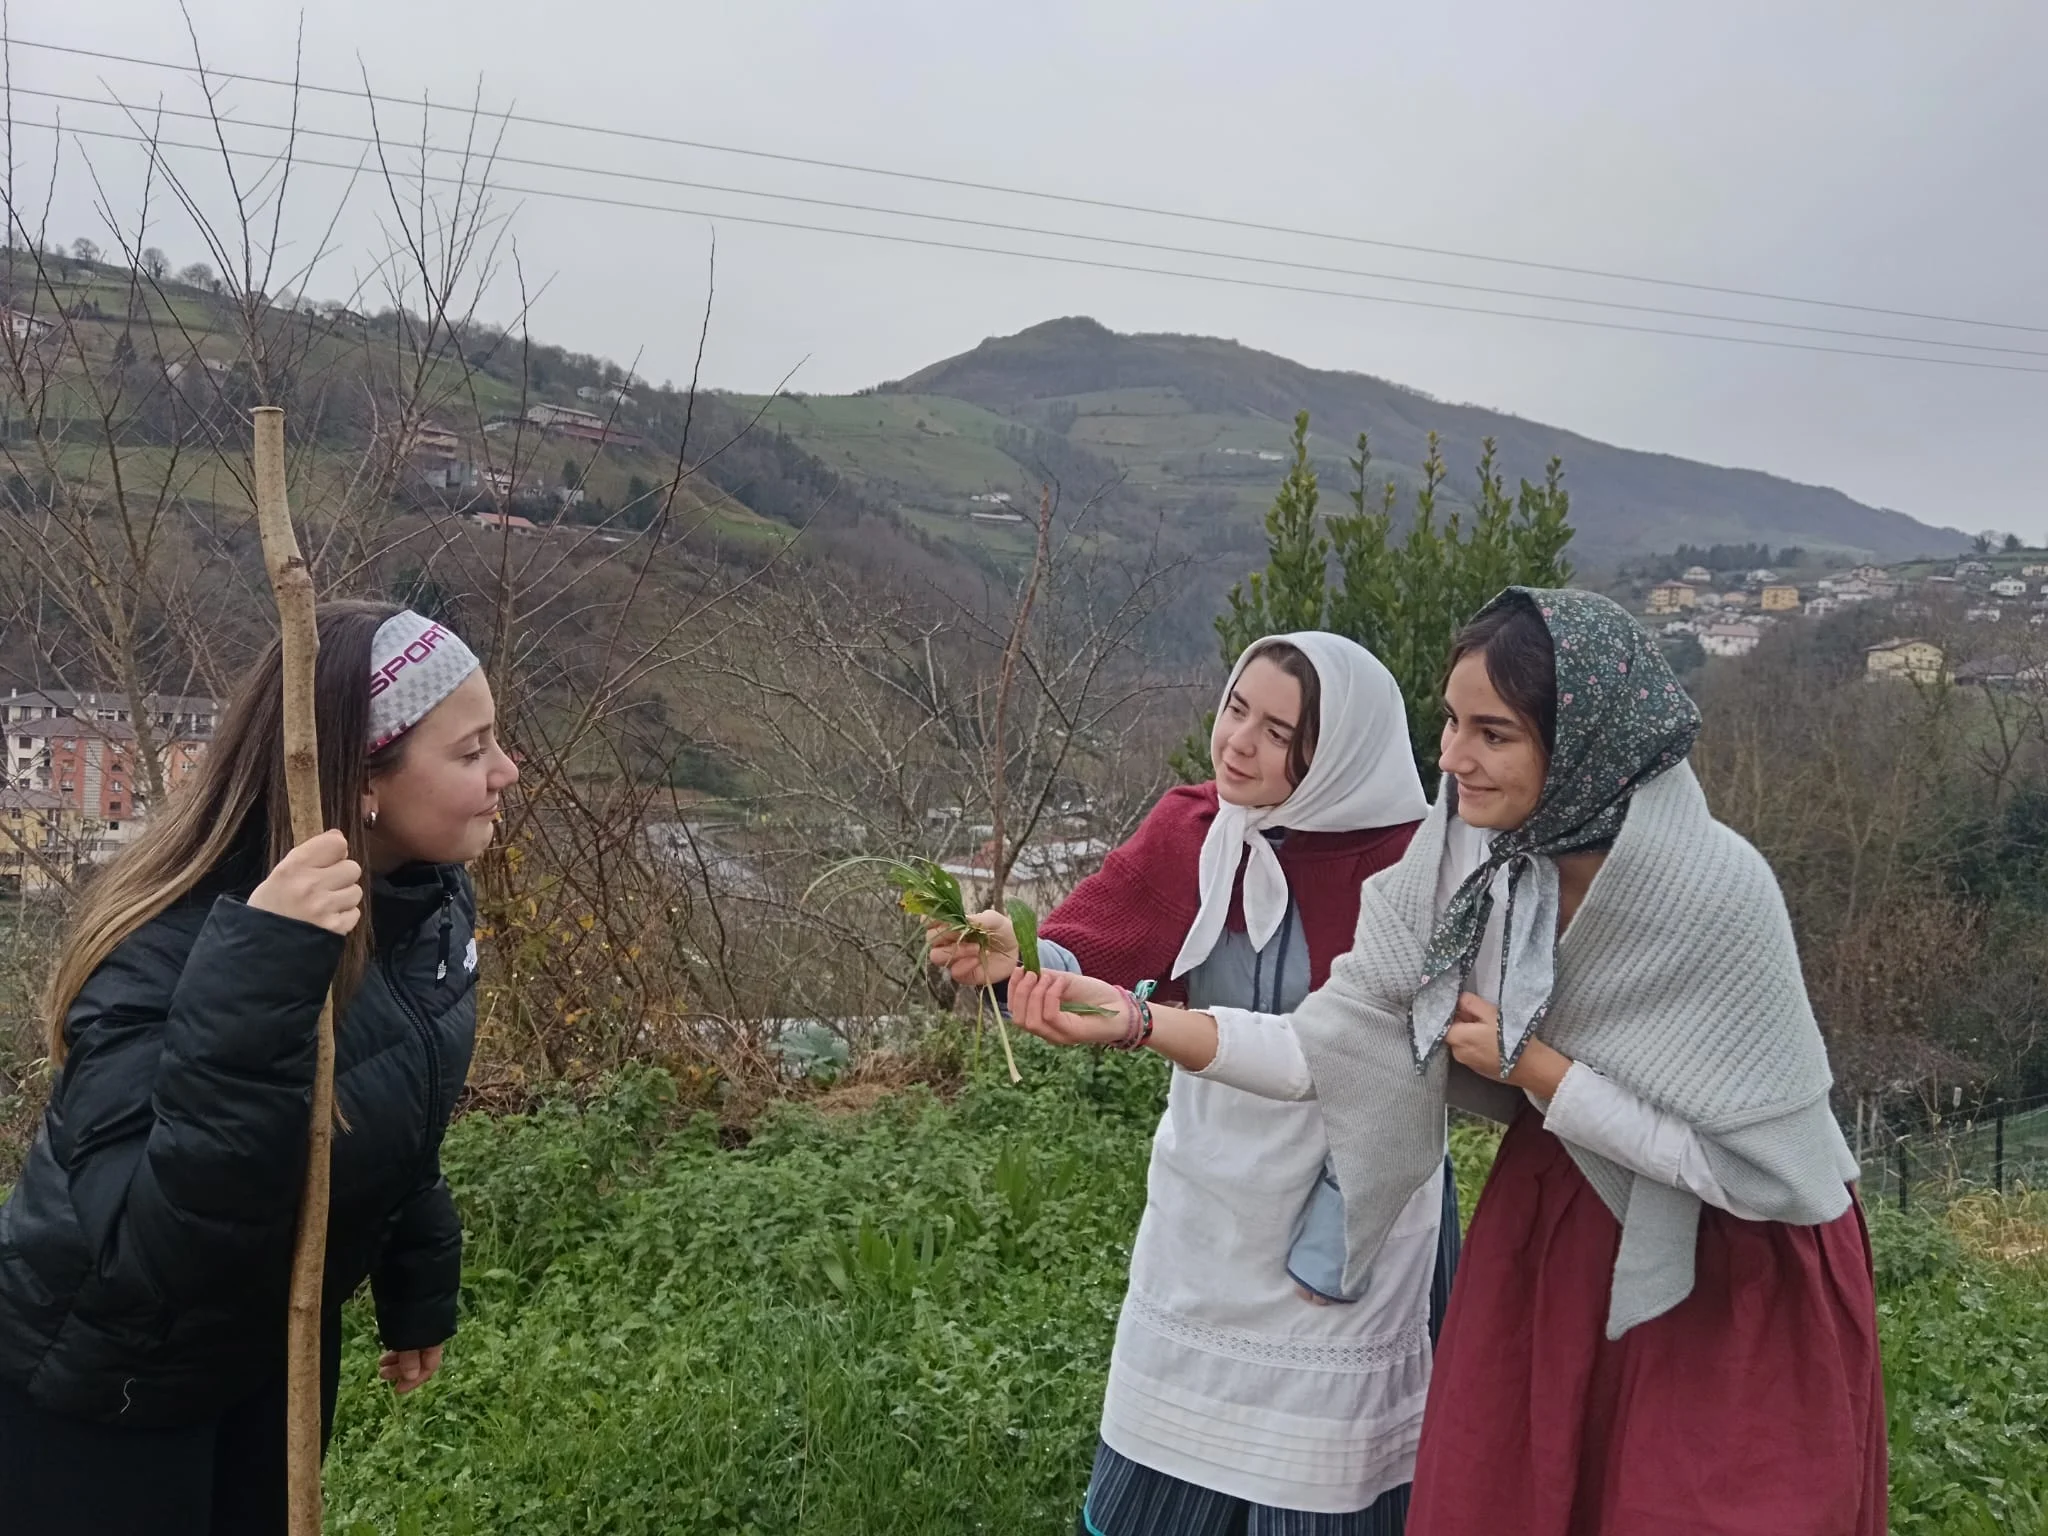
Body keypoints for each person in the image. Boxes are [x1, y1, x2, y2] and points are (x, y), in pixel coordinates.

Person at [1009, 587, 1886, 1535]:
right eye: (1451, 722)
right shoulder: (1468, 863)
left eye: (1493, 733)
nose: (1453, 757)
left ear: (1582, 744)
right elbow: (1332, 1044)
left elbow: (1763, 1176)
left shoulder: (1716, 893)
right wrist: (1137, 1022)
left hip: (1737, 1263)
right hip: (1561, 1222)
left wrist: (1542, 1074)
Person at [0, 602, 518, 1536]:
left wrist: (416, 1272)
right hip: (106, 1389)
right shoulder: (165, 952)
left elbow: (389, 1098)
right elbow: (158, 1253)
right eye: (472, 750)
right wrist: (260, 983)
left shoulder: (419, 908)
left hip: (271, 1357)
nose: (505, 771)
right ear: (364, 778)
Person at [932, 632, 1454, 1535]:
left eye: (1280, 733)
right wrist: (1022, 959)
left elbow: (1359, 1062)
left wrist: (1138, 1021)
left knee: (1316, 1481)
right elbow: (1099, 946)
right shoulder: (1194, 826)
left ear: (1339, 751)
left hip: (1349, 1200)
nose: (1239, 743)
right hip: (1212, 1192)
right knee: (1171, 1454)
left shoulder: (1408, 868)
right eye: (1236, 709)